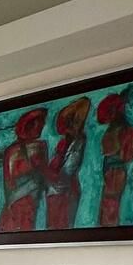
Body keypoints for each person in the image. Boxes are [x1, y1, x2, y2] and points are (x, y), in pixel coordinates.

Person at [0, 108, 48, 233]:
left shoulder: (39, 147)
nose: (41, 128)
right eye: (39, 125)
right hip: (19, 203)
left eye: (42, 125)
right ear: (30, 126)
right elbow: (9, 182)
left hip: (30, 202)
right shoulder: (15, 150)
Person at [45, 96, 90, 230]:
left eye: (74, 122)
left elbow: (70, 168)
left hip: (66, 191)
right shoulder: (63, 142)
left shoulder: (78, 141)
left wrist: (53, 180)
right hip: (54, 191)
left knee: (62, 227)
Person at [97, 92, 133, 226]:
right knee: (107, 205)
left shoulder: (125, 130)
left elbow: (128, 156)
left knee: (111, 205)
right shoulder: (114, 129)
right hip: (110, 169)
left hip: (116, 170)